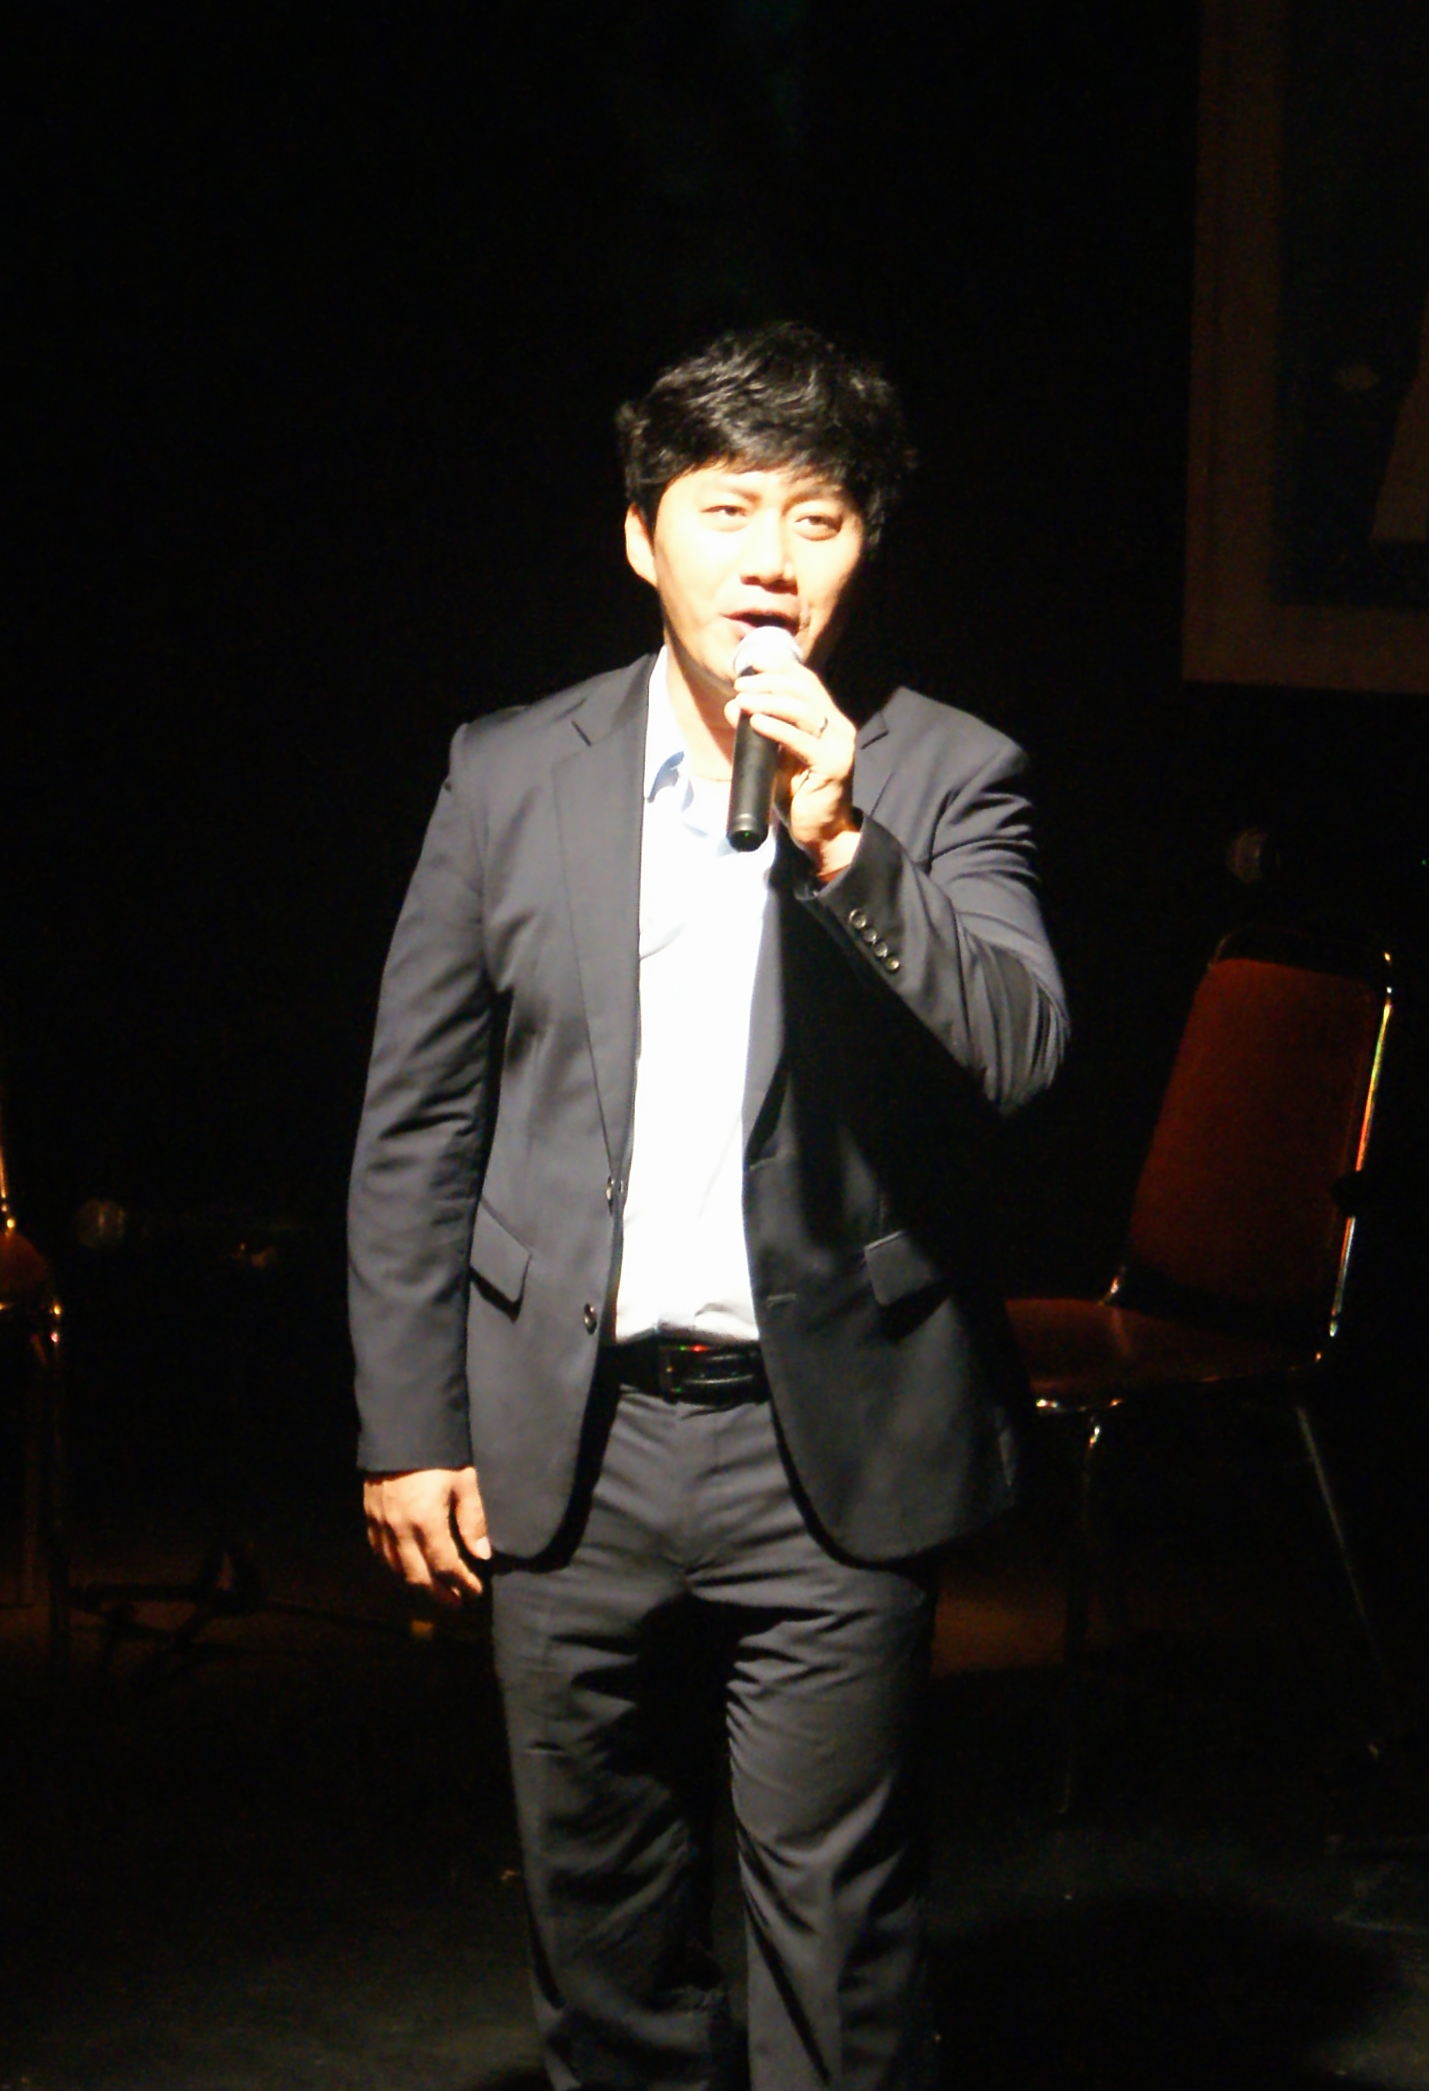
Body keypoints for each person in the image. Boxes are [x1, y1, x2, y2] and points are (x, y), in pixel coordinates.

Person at [349, 323, 1068, 2091]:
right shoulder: (508, 769)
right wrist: (409, 1426)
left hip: (823, 1439)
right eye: (726, 508)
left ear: (862, 549)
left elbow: (1020, 1051)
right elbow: (419, 1121)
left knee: (838, 1940)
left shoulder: (942, 770)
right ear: (638, 534)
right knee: (599, 1930)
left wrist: (839, 844)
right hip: (566, 1432)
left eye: (817, 517)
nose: (769, 557)